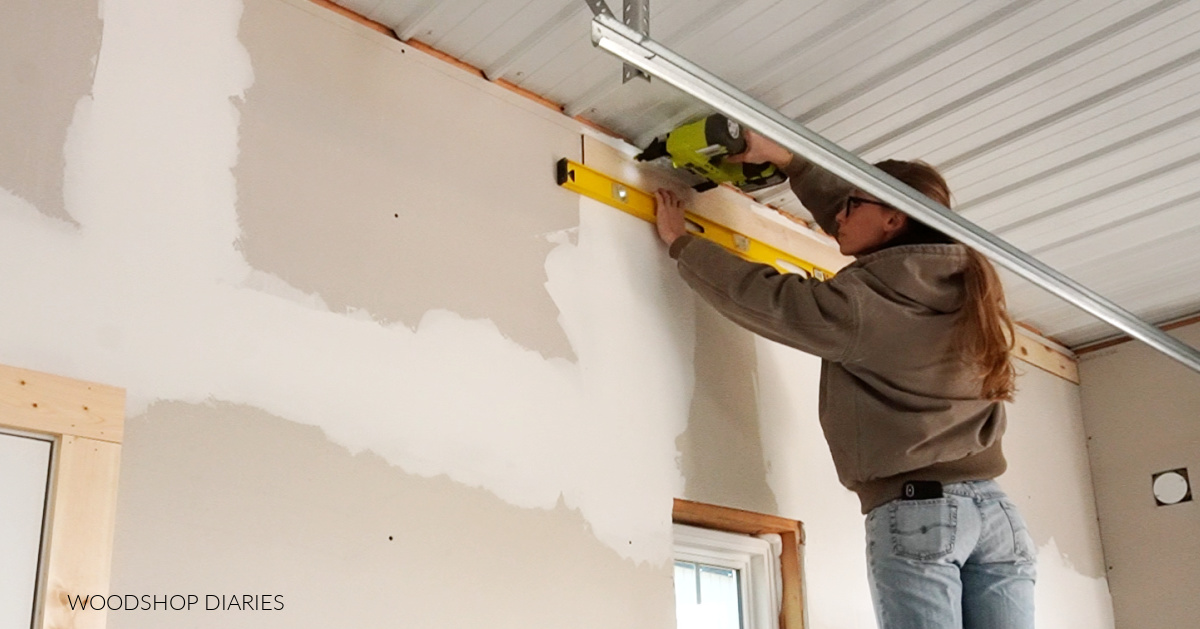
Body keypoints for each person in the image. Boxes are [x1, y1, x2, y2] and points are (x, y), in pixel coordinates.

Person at [654, 129, 1037, 629]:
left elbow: (768, 299)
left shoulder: (862, 308)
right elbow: (864, 219)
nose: (838, 215)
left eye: (850, 206)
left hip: (922, 513)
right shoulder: (970, 294)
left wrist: (681, 244)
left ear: (893, 218)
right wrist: (789, 160)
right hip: (997, 517)